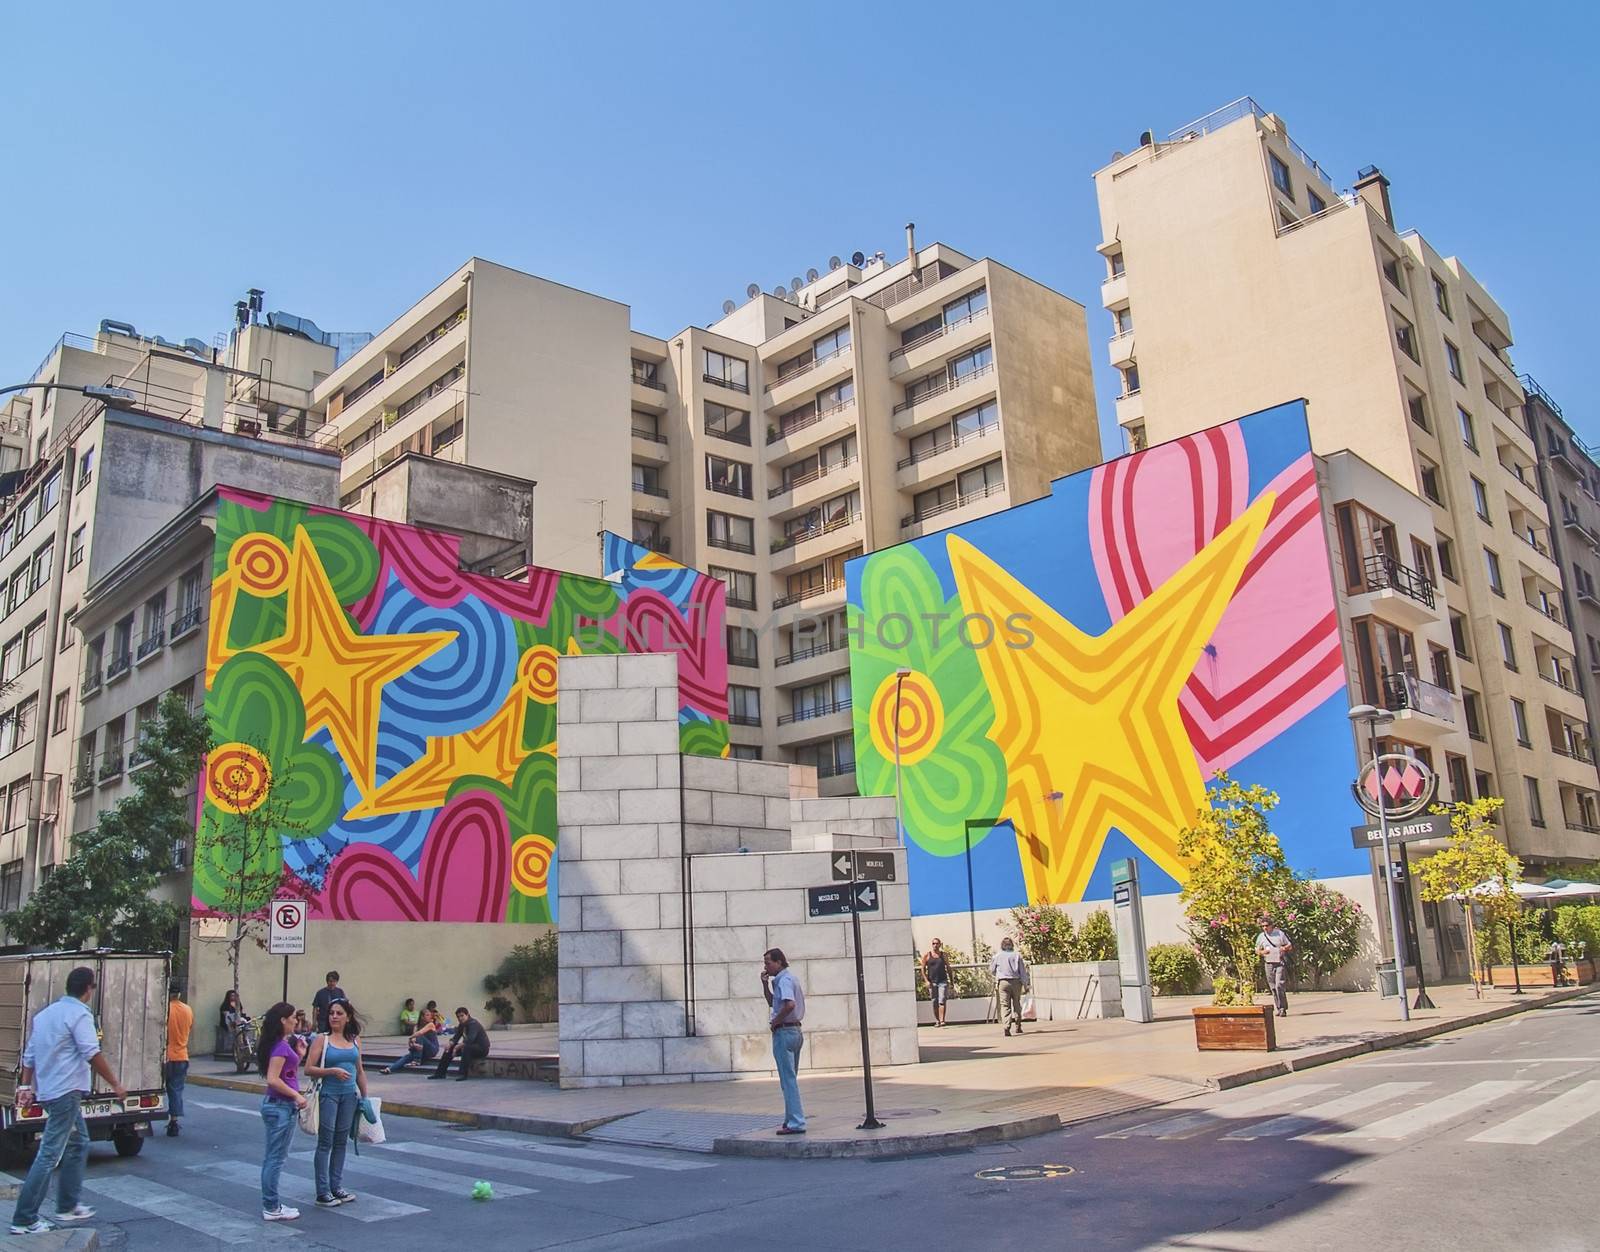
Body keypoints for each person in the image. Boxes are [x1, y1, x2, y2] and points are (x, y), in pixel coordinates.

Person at [10, 966, 126, 1235]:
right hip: (66, 1093)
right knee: (49, 1155)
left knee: (79, 1142)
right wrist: (116, 1083)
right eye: (93, 987)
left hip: (51, 1091)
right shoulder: (79, 1015)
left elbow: (29, 1055)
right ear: (88, 989)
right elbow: (91, 1052)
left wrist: (26, 1086)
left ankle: (67, 1205)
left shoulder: (46, 1015)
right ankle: (25, 1219)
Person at [307, 999, 366, 1207]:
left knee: (341, 1141)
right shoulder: (321, 1040)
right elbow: (308, 1068)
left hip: (349, 1096)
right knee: (326, 1142)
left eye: (339, 1013)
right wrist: (331, 1071)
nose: (334, 1016)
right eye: (331, 1013)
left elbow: (359, 1071)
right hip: (328, 1095)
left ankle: (336, 1186)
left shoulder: (354, 1040)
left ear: (347, 1017)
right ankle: (322, 1191)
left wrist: (365, 1097)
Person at [256, 1001, 306, 1222]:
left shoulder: (282, 1044)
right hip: (280, 1106)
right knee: (275, 1159)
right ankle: (271, 1206)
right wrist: (296, 1096)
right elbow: (273, 1079)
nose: (297, 1020)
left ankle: (272, 1203)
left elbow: (287, 1074)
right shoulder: (279, 1047)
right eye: (293, 1017)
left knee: (274, 1157)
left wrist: (300, 1056)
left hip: (279, 1105)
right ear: (283, 1021)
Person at [761, 948, 805, 1136]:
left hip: (785, 1032)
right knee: (789, 1079)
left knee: (788, 1081)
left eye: (768, 963)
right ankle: (790, 1120)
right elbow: (773, 1002)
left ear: (779, 962)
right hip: (794, 1031)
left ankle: (796, 1122)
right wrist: (765, 985)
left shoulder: (784, 980)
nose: (766, 967)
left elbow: (789, 1005)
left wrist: (776, 1021)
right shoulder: (783, 980)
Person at [165, 980, 193, 1138]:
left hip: (166, 1055)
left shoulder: (165, 1009)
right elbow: (190, 1028)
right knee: (176, 1089)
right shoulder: (188, 1010)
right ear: (180, 994)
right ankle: (174, 1120)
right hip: (182, 1055)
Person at [429, 1008, 490, 1080]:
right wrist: (450, 1044)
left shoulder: (473, 1023)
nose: (460, 1018)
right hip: (469, 1047)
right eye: (458, 1017)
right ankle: (440, 1073)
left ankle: (463, 1074)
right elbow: (456, 1037)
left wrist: (456, 1047)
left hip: (481, 1049)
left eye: (462, 1016)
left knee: (466, 1048)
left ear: (467, 1015)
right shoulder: (462, 1025)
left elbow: (470, 1040)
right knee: (449, 1049)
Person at [990, 937, 1030, 1037]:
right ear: (1012, 945)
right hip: (1016, 981)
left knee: (1005, 1005)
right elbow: (1022, 972)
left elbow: (992, 970)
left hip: (1003, 982)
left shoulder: (997, 956)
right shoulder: (1017, 956)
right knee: (1016, 1003)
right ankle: (1018, 1025)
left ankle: (1006, 1026)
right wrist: (1025, 984)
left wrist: (998, 974)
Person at [385, 1007, 443, 1073]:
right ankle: (389, 1069)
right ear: (422, 1017)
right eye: (427, 1015)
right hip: (422, 1049)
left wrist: (410, 1038)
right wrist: (415, 1045)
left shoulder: (431, 1025)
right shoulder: (416, 1026)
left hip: (433, 1049)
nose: (429, 1017)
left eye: (429, 1015)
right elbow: (411, 1042)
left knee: (419, 1036)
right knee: (408, 1056)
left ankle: (417, 1060)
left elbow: (420, 1033)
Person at [1256, 918, 1294, 1017]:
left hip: (1279, 962)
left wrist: (1284, 948)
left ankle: (1283, 1008)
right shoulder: (1261, 936)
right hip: (1268, 962)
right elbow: (1257, 950)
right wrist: (1263, 952)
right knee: (1273, 987)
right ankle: (1278, 1007)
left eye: (1266, 925)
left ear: (1271, 925)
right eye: (1263, 926)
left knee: (1279, 985)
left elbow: (1289, 945)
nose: (1265, 928)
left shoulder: (1279, 934)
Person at [922, 939, 952, 1028]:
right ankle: (937, 1020)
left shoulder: (943, 955)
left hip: (942, 981)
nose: (935, 945)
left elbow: (949, 968)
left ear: (940, 944)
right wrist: (926, 980)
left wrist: (952, 981)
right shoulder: (927, 955)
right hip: (932, 982)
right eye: (933, 943)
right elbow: (922, 969)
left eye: (937, 943)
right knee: (934, 1001)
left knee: (942, 1000)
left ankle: (942, 1020)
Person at [218, 989, 247, 1057]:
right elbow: (226, 1015)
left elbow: (240, 1012)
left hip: (237, 1021)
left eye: (234, 996)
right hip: (228, 1022)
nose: (233, 997)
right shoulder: (225, 1005)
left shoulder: (238, 1004)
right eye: (231, 996)